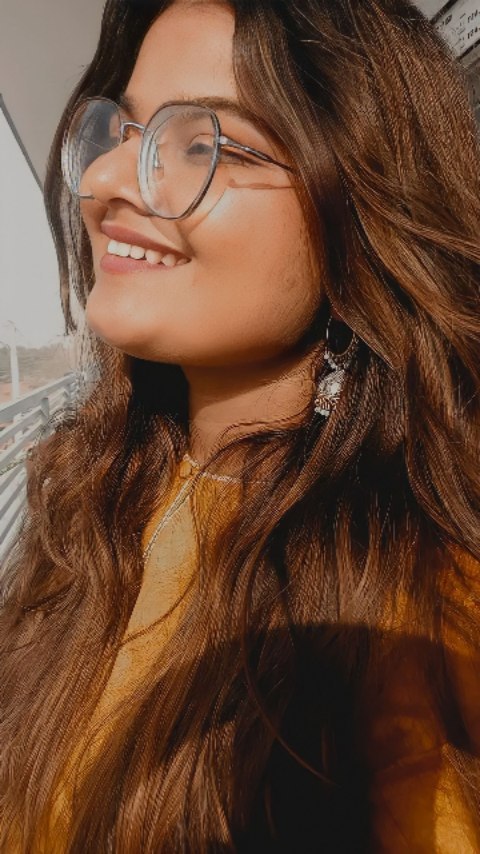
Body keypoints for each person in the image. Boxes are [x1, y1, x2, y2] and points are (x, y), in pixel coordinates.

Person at [1, 0, 480, 850]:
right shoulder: (85, 489)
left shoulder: (410, 606)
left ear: (358, 208)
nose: (107, 181)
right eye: (120, 130)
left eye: (203, 146)